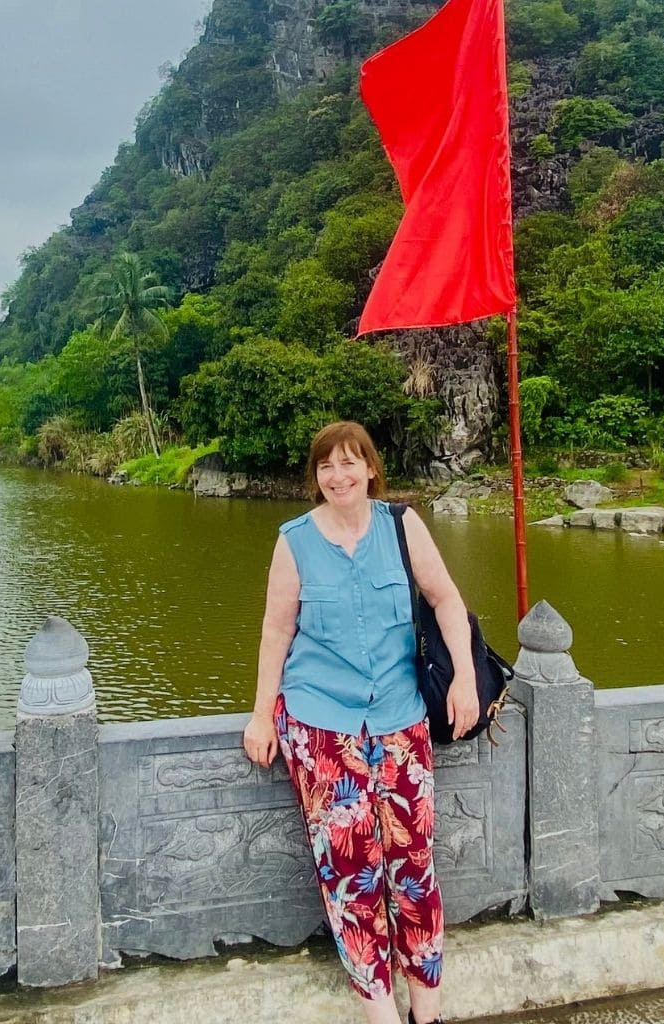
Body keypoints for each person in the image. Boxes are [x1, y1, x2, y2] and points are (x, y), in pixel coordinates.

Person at [242, 419, 479, 1024]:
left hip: (400, 719)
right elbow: (277, 631)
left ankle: (428, 1009)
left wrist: (465, 678)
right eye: (326, 466)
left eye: (350, 463)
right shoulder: (294, 541)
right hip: (322, 725)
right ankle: (379, 1012)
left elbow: (446, 599)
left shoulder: (401, 526)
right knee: (351, 870)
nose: (338, 475)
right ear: (315, 477)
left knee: (414, 866)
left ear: (371, 468)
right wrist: (262, 713)